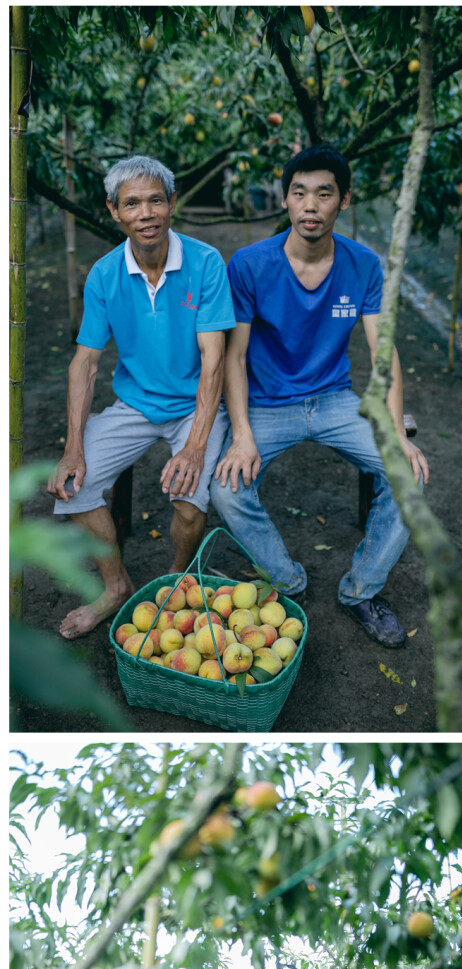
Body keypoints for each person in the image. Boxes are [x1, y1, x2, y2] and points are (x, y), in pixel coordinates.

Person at [211, 143, 429, 648]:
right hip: (268, 404)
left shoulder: (363, 265)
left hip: (334, 400)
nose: (311, 205)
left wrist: (397, 434)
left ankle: (361, 589)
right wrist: (241, 435)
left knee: (409, 475)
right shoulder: (249, 265)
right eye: (299, 193)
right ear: (285, 200)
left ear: (343, 200)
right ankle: (286, 582)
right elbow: (233, 358)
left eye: (324, 194)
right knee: (226, 488)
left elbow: (384, 351)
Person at [45, 155, 234, 639]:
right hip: (135, 405)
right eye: (132, 203)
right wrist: (73, 447)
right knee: (72, 483)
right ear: (114, 211)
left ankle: (176, 582)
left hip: (196, 407)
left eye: (155, 200)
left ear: (172, 203)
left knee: (190, 501)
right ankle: (115, 586)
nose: (145, 213)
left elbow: (214, 361)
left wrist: (194, 446)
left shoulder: (206, 263)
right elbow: (85, 363)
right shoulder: (105, 275)